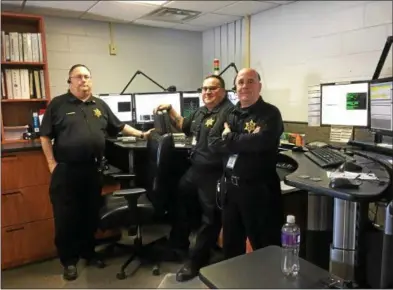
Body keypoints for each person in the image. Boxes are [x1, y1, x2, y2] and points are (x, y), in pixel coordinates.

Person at [40, 64, 153, 281]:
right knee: (66, 217)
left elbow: (119, 127)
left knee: (89, 214)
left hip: (92, 170)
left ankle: (88, 253)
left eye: (87, 76)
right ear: (70, 81)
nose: (84, 80)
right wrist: (51, 163)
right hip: (66, 170)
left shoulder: (99, 105)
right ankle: (69, 261)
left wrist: (142, 134)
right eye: (79, 77)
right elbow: (45, 136)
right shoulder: (58, 105)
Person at [155, 75, 234, 282]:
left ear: (223, 91)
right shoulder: (201, 110)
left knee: (211, 218)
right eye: (205, 89)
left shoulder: (230, 112)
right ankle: (178, 244)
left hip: (215, 172)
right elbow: (185, 126)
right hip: (196, 169)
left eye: (213, 89)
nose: (207, 92)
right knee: (179, 197)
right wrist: (171, 110)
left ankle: (197, 260)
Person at [209, 68, 284, 259]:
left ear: (260, 86)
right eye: (241, 82)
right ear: (235, 87)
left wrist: (230, 137)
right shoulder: (229, 113)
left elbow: (262, 141)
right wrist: (244, 140)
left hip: (258, 191)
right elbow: (213, 142)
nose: (245, 86)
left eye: (251, 81)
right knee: (231, 247)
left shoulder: (270, 113)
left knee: (265, 248)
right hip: (231, 191)